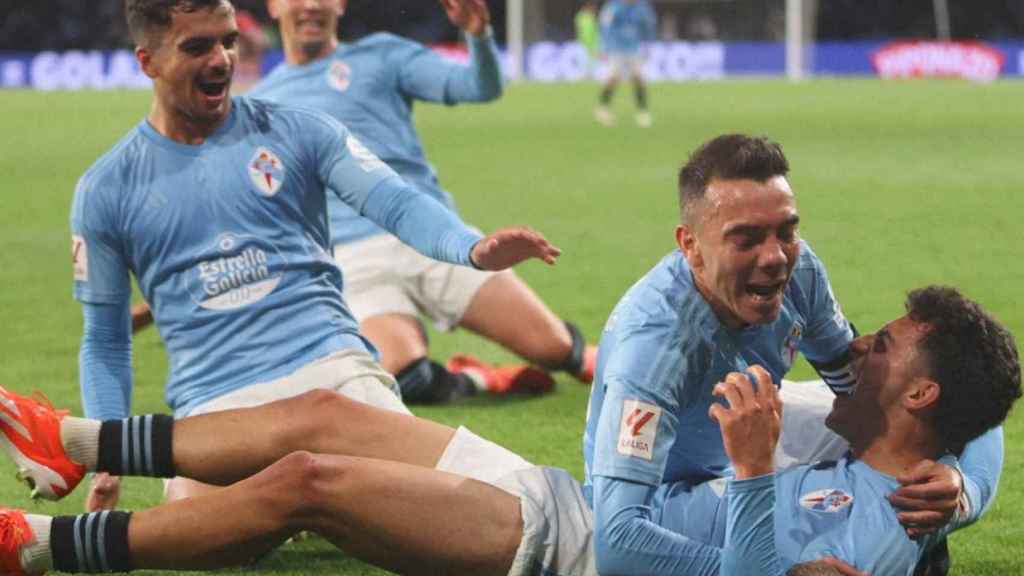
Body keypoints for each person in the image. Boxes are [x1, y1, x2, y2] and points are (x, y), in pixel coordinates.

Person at [0, 286, 1019, 575]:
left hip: (555, 553)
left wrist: (751, 472)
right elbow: (987, 424)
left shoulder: (885, 529)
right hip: (562, 498)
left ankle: (43, 550)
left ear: (920, 398)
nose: (854, 347)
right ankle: (77, 439)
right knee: (327, 416)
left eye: (883, 344)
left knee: (312, 478)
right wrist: (974, 482)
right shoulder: (851, 425)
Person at [72, 0, 559, 512]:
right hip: (217, 405)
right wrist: (108, 458)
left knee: (477, 503)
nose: (220, 60)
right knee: (203, 527)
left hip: (332, 375)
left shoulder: (300, 130)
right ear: (147, 62)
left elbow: (394, 199)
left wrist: (471, 249)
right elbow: (105, 340)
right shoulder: (106, 189)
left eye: (229, 41)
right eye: (197, 47)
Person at [132, 0, 599, 404]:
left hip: (429, 232)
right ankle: (477, 379)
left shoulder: (383, 55)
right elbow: (235, 221)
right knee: (395, 375)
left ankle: (568, 354)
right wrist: (157, 299)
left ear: (342, 4)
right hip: (352, 262)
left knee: (559, 351)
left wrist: (479, 37)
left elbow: (480, 87)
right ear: (275, 6)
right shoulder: (258, 108)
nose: (310, 5)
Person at [582, 134, 1005, 575]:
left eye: (786, 231)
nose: (774, 257)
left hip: (748, 430)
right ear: (690, 246)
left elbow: (963, 387)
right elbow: (619, 542)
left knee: (917, 410)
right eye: (745, 238)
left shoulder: (799, 273)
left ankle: (912, 529)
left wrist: (963, 488)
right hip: (663, 484)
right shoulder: (654, 348)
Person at [594, 0, 656, 127]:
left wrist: (649, 44)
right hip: (615, 48)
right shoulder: (613, 6)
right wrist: (602, 47)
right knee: (613, 78)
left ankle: (642, 112)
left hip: (633, 48)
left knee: (639, 78)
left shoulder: (642, 7)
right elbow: (604, 26)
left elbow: (649, 25)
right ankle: (603, 108)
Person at [575, 1, 600, 78]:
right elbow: (586, 33)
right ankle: (583, 78)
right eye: (594, 8)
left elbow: (594, 32)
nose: (595, 10)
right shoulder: (584, 17)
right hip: (586, 45)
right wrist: (590, 46)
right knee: (585, 64)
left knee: (591, 65)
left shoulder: (586, 17)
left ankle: (588, 77)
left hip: (590, 44)